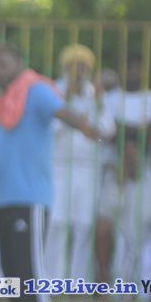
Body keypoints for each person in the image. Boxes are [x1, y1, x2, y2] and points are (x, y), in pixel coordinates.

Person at [0, 44, 106, 302]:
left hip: (29, 198)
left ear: (19, 62)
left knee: (30, 271)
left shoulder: (35, 89)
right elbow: (0, 149)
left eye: (3, 63)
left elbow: (63, 113)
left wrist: (90, 131)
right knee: (12, 270)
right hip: (6, 197)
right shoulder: (6, 103)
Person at [47, 44, 115, 282]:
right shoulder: (54, 90)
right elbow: (49, 130)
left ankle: (78, 283)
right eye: (74, 66)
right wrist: (65, 103)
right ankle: (53, 280)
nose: (79, 71)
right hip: (58, 168)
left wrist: (99, 104)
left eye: (83, 66)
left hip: (88, 170)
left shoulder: (95, 94)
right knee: (57, 226)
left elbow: (106, 133)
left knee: (84, 227)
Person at [98, 129, 151, 302]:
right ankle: (104, 287)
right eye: (126, 148)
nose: (130, 153)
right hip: (119, 237)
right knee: (102, 228)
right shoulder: (111, 177)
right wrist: (119, 184)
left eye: (135, 148)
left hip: (149, 237)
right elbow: (107, 214)